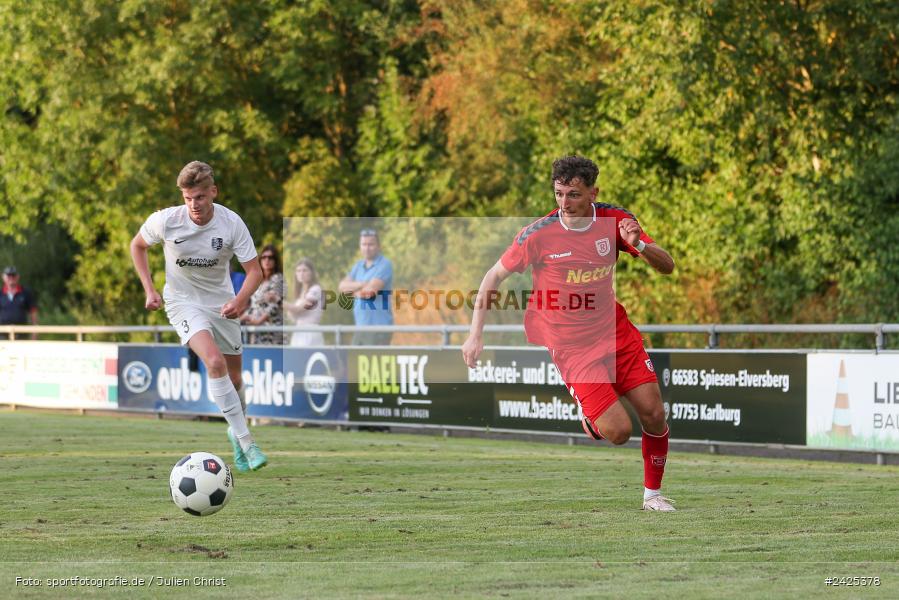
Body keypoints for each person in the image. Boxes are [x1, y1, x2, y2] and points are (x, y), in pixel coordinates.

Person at [461, 155, 677, 511]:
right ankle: (590, 413)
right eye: (559, 194)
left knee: (654, 414)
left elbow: (667, 266)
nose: (564, 203)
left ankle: (652, 496)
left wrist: (639, 245)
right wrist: (475, 334)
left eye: (574, 195)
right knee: (619, 432)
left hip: (615, 333)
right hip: (572, 347)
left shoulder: (617, 221)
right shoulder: (538, 234)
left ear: (593, 192)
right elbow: (492, 277)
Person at [130, 160, 268, 473]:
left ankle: (235, 432)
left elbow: (255, 272)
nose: (194, 204)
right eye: (188, 197)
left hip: (222, 304)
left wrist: (241, 301)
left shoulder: (232, 223)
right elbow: (137, 246)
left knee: (234, 379)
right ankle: (248, 442)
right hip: (182, 302)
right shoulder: (166, 220)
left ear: (213, 192)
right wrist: (149, 289)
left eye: (200, 197)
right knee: (214, 363)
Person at [338, 228, 393, 345]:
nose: (367, 248)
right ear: (360, 246)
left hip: (378, 329)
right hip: (360, 327)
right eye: (364, 244)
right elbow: (342, 287)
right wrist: (363, 284)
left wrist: (353, 292)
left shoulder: (384, 264)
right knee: (353, 362)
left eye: (371, 244)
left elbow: (369, 293)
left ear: (378, 246)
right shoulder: (358, 266)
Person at [240, 244, 285, 345]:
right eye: (264, 257)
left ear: (275, 261)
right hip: (256, 330)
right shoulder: (258, 281)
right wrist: (241, 318)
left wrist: (259, 320)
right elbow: (254, 305)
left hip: (271, 330)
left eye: (270, 257)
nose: (267, 260)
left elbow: (274, 305)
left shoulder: (278, 279)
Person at [286, 258, 324, 346]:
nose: (301, 274)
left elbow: (298, 309)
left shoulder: (316, 289)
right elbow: (293, 316)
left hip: (310, 333)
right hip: (298, 333)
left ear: (311, 272)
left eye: (304, 270)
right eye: (298, 271)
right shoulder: (300, 293)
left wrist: (278, 301)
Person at [1, 266, 38, 339]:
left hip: (22, 333)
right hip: (2, 334)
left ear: (18, 277)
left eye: (13, 275)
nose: (11, 278)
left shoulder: (26, 293)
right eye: (9, 275)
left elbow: (33, 313)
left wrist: (35, 333)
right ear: (3, 277)